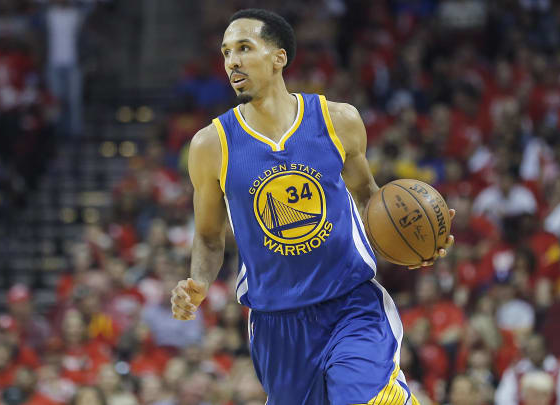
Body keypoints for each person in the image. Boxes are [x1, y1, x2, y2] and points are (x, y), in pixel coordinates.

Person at [170, 9, 455, 405]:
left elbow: (370, 197)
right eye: (225, 52)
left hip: (349, 304)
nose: (231, 61)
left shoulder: (338, 120)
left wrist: (417, 238)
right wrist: (197, 283)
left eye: (244, 48)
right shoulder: (210, 145)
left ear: (278, 57)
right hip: (276, 322)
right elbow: (208, 236)